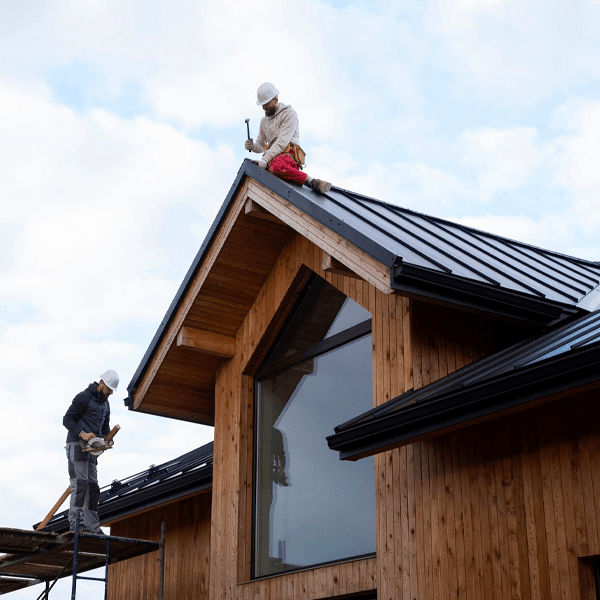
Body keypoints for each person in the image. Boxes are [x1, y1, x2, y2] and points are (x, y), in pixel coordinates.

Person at [245, 82, 332, 194]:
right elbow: (261, 145)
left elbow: (282, 142)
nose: (263, 107)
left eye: (266, 103)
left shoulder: (289, 114)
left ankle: (312, 181)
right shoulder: (264, 121)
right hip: (272, 157)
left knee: (277, 167)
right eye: (262, 104)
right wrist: (253, 146)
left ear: (275, 99)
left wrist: (265, 160)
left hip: (288, 154)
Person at [63, 369, 119, 533]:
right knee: (80, 484)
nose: (110, 393)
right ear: (101, 384)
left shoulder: (105, 404)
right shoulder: (83, 398)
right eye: (108, 389)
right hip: (77, 445)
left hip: (92, 450)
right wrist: (83, 434)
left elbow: (105, 427)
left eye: (111, 391)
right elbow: (67, 419)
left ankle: (92, 526)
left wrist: (107, 440)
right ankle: (77, 524)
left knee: (93, 487)